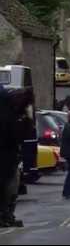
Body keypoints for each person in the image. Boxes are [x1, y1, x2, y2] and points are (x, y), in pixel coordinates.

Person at [0, 85, 25, 227]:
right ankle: (6, 215)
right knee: (9, 187)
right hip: (8, 159)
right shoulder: (8, 115)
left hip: (9, 157)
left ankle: (6, 215)